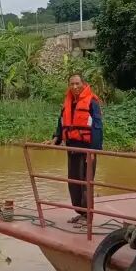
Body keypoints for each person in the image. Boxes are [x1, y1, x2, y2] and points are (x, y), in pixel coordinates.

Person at [49, 73, 103, 226]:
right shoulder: (68, 102)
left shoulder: (92, 102)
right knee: (73, 182)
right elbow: (61, 123)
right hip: (72, 148)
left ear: (83, 84)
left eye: (77, 83)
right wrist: (56, 138)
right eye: (72, 84)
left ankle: (88, 216)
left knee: (86, 182)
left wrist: (94, 151)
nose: (74, 87)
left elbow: (97, 127)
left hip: (87, 149)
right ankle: (81, 213)